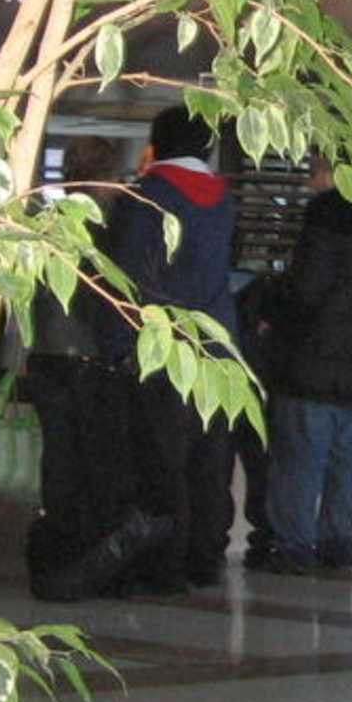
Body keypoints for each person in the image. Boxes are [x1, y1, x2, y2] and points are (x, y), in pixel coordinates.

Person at [23, 136, 173, 601]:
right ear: (110, 176)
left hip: (48, 356)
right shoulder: (117, 225)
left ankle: (60, 561)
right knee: (101, 470)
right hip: (96, 362)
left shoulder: (47, 224)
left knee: (60, 468)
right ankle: (97, 566)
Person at [101, 106, 239, 589]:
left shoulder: (146, 198)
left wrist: (118, 347)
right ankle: (206, 558)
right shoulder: (224, 200)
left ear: (156, 144)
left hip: (161, 348)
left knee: (163, 462)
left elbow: (126, 279)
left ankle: (165, 565)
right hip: (218, 349)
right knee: (210, 460)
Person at [249, 157, 352, 575]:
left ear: (335, 172)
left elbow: (306, 289)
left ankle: (292, 546)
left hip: (312, 359)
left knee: (299, 458)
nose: (309, 182)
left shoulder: (327, 214)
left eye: (314, 173)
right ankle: (337, 544)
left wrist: (269, 308)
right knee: (344, 460)